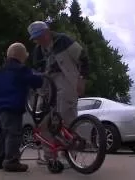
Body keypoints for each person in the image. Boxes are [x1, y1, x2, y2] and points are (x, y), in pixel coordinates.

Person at [27, 21, 89, 160]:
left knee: (66, 117)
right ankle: (49, 156)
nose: (38, 40)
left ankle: (68, 156)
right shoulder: (37, 51)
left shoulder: (64, 41)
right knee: (43, 119)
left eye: (40, 36)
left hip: (66, 79)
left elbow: (83, 57)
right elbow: (37, 71)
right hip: (47, 84)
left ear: (47, 32)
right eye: (35, 38)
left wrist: (82, 79)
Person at [0, 42, 43, 172]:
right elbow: (36, 81)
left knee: (0, 135)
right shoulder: (21, 69)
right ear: (20, 56)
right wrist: (41, 76)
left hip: (0, 108)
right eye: (25, 56)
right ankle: (12, 161)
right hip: (13, 108)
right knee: (13, 134)